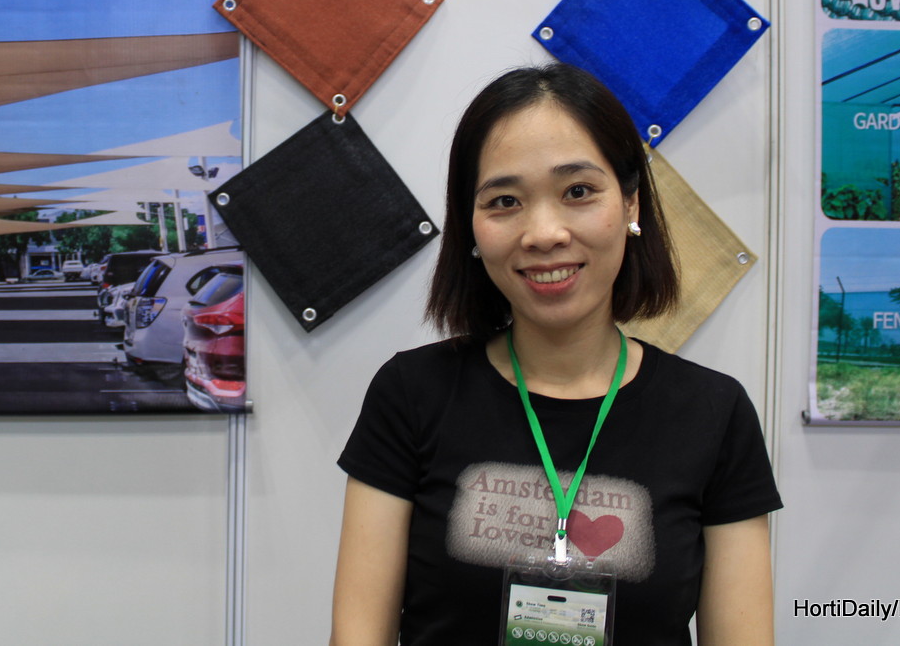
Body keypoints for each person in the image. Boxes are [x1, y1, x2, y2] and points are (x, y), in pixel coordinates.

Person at [331, 63, 781, 645]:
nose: (543, 233)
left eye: (577, 192)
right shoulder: (411, 393)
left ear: (632, 205)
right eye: (505, 200)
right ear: (471, 226)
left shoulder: (714, 412)